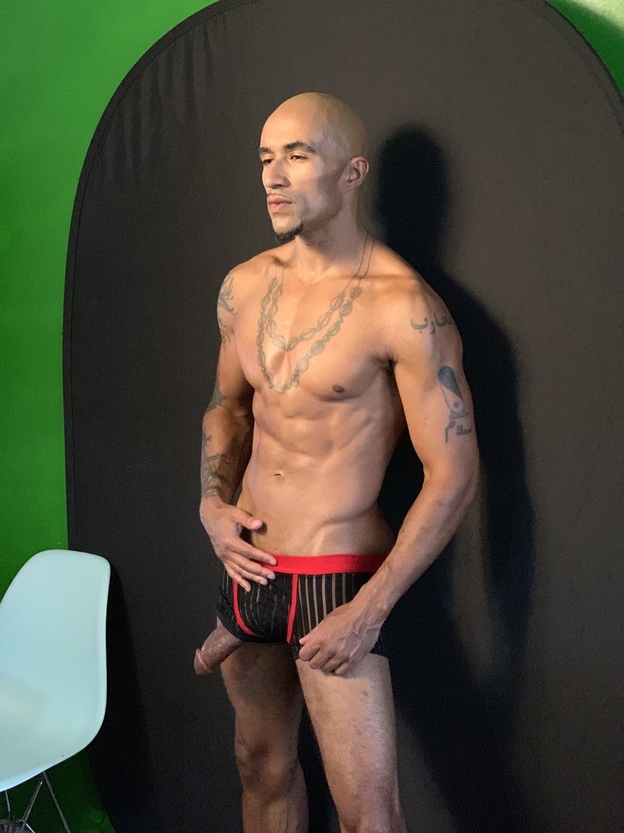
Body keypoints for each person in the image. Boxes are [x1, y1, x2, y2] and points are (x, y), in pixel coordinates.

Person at [196, 92, 479, 833]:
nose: (272, 176)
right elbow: (228, 407)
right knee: (259, 769)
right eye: (265, 157)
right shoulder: (243, 285)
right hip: (249, 568)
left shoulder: (403, 306)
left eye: (297, 156)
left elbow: (453, 474)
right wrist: (212, 503)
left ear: (353, 173)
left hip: (336, 580)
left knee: (368, 818)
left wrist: (370, 609)